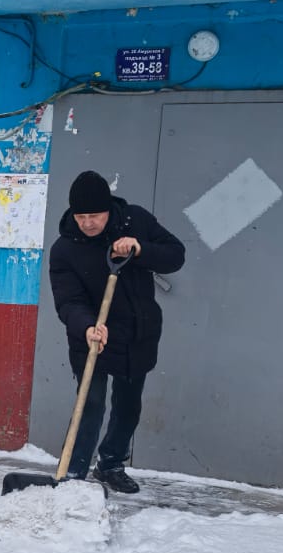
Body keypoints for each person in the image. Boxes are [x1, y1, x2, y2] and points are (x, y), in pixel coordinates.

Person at [48, 169, 185, 495]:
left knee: (128, 405)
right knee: (90, 404)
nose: (87, 223)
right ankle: (73, 475)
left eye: (94, 215)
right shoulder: (64, 249)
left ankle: (110, 464)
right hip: (91, 338)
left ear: (108, 209)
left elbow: (176, 255)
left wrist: (140, 249)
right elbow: (68, 301)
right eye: (80, 216)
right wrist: (87, 327)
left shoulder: (135, 221)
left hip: (137, 333)